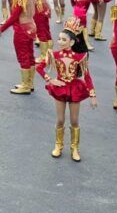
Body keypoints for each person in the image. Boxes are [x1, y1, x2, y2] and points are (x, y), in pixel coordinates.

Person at [37, 18, 97, 161]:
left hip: (75, 88)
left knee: (74, 120)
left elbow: (87, 76)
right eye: (59, 39)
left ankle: (74, 148)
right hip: (60, 89)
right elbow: (39, 68)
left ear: (72, 42)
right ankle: (58, 145)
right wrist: (50, 79)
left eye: (64, 40)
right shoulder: (54, 55)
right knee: (60, 119)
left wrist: (93, 95)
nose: (60, 42)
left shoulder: (79, 57)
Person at [0, 0, 38, 95]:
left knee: (23, 56)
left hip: (22, 29)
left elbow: (15, 16)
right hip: (31, 26)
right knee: (30, 55)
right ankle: (30, 83)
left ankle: (25, 85)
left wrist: (2, 28)